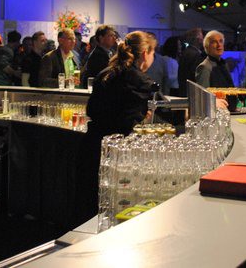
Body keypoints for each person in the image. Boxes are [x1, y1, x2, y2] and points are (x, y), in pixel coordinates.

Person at [78, 32, 159, 221]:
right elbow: (165, 113)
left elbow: (92, 109)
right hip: (118, 155)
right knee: (114, 211)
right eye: (153, 53)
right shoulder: (142, 81)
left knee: (88, 210)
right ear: (145, 53)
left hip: (92, 147)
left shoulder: (106, 73)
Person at [177, 28, 205, 96]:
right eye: (202, 36)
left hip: (185, 91)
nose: (203, 39)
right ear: (197, 39)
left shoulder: (186, 52)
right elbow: (197, 76)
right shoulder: (195, 54)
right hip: (193, 93)